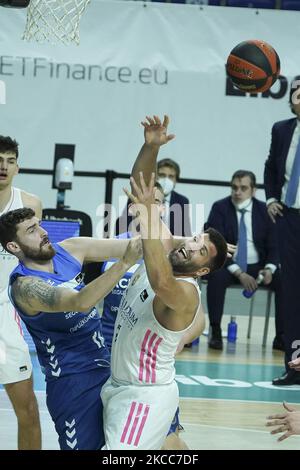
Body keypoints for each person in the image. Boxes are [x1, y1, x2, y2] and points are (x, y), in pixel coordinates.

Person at [101, 115, 228, 450]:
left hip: (145, 395)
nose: (191, 245)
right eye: (195, 239)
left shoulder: (185, 292)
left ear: (202, 271)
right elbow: (142, 188)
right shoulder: (168, 246)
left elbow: (159, 279)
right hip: (119, 383)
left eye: (201, 251)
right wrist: (150, 147)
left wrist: (146, 214)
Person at [0, 207, 142, 450]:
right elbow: (81, 302)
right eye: (32, 230)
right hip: (73, 383)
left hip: (109, 366)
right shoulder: (25, 287)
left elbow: (138, 245)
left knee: (162, 441)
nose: (43, 232)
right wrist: (125, 263)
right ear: (14, 247)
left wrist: (195, 245)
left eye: (40, 225)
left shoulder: (70, 248)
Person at [101, 181, 189, 449]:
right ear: (132, 206)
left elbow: (196, 317)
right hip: (108, 354)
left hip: (147, 370)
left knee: (166, 438)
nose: (154, 206)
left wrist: (180, 338)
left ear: (163, 209)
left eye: (159, 201)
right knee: (109, 432)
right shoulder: (110, 247)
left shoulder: (174, 255)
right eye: (148, 201)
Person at [205, 170, 283, 351]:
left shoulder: (265, 211)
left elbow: (275, 245)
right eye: (234, 187)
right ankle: (215, 331)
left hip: (259, 266)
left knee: (284, 280)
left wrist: (269, 269)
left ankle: (282, 337)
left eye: (243, 188)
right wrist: (239, 273)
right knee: (216, 277)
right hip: (229, 264)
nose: (237, 192)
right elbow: (216, 245)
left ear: (253, 190)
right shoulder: (220, 208)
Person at [0, 135, 42, 449]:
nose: (3, 166)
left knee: (26, 406)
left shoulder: (29, 204)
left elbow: (38, 257)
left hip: (4, 313)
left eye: (9, 160)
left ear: (17, 166)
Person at [264, 77, 300, 386]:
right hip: (290, 219)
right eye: (295, 90)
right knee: (291, 293)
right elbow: (270, 167)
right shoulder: (282, 129)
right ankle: (294, 366)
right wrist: (272, 198)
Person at [115, 158, 192, 237]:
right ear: (154, 177)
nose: (166, 179)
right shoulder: (141, 196)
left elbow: (185, 233)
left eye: (171, 176)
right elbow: (126, 224)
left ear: (176, 181)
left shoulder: (182, 201)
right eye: (162, 175)